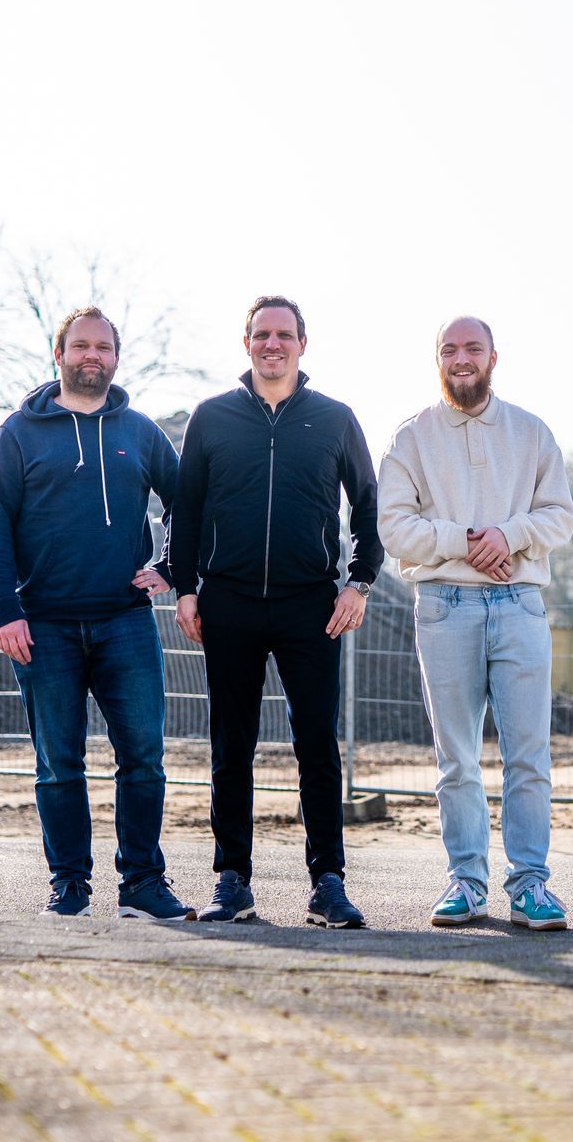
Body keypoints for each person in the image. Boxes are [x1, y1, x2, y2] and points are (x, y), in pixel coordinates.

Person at [0, 306, 195, 921]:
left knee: (144, 757)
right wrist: (5, 609)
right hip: (42, 626)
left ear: (116, 358)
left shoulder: (141, 432)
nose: (90, 355)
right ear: (59, 354)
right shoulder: (19, 432)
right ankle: (69, 884)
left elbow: (187, 506)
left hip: (125, 619)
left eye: (102, 347)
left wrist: (173, 569)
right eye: (79, 346)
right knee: (58, 764)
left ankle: (143, 885)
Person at [168, 296, 381, 929]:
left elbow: (368, 507)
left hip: (310, 604)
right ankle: (232, 881)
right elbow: (185, 509)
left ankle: (328, 883)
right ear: (246, 343)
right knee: (231, 745)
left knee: (317, 744)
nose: (273, 344)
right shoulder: (211, 418)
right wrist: (185, 588)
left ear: (302, 345)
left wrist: (359, 583)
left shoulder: (335, 419)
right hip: (227, 600)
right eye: (262, 334)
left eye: (284, 335)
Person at [377, 316, 573, 930]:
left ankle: (530, 886)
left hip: (519, 606)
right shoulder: (410, 439)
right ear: (436, 360)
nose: (461, 358)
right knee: (457, 758)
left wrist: (508, 536)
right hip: (444, 608)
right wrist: (467, 542)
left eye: (472, 348)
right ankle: (466, 882)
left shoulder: (532, 433)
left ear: (495, 357)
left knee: (528, 757)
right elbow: (393, 528)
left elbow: (561, 517)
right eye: (449, 350)